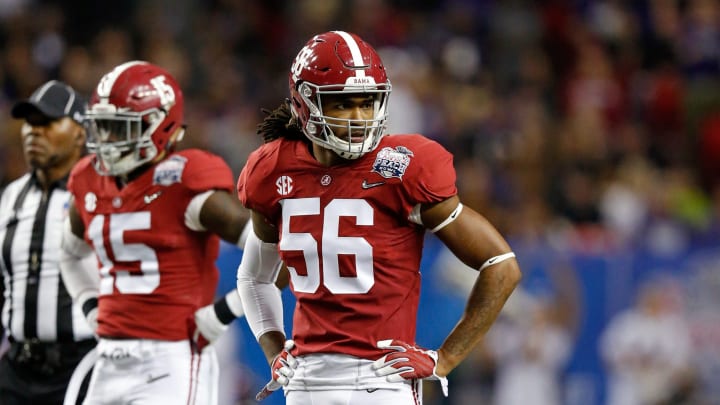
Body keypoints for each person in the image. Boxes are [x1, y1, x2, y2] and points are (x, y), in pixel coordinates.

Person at [236, 30, 522, 404]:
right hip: (306, 382)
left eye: (367, 103)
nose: (359, 117)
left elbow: (501, 265)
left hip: (381, 380)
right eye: (342, 104)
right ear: (304, 103)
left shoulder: (402, 167)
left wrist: (445, 358)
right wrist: (274, 350)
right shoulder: (274, 169)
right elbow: (254, 276)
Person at [58, 61, 251, 405]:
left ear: (159, 126)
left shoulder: (185, 181)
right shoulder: (90, 181)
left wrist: (225, 311)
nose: (106, 140)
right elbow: (69, 254)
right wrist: (89, 304)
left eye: (119, 128)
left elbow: (275, 248)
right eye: (102, 127)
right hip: (109, 354)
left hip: (170, 357)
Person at [0, 80, 96, 404]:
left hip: (80, 367)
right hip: (16, 368)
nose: (33, 132)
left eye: (47, 123)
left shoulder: (103, 194)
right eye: (30, 123)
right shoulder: (10, 197)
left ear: (80, 134)